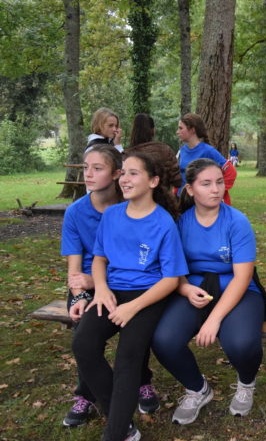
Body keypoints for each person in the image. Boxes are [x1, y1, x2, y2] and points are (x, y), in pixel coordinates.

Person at [71, 152, 188, 441]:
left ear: (153, 181)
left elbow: (171, 279)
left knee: (128, 358)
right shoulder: (112, 215)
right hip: (111, 291)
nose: (125, 178)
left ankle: (115, 434)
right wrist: (101, 289)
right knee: (83, 343)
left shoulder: (163, 223)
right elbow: (99, 259)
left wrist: (132, 307)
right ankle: (122, 422)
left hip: (148, 296)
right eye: (123, 173)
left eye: (134, 173)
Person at [152, 158, 265, 424]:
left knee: (242, 344)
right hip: (193, 290)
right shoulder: (179, 222)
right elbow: (171, 269)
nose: (216, 189)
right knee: (164, 340)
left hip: (237, 290)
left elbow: (242, 277)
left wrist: (214, 320)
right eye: (206, 184)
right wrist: (185, 288)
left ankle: (246, 383)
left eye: (219, 182)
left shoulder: (237, 221)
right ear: (190, 189)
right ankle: (197, 389)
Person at [60, 145, 160, 427]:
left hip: (125, 278)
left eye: (97, 168)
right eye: (85, 167)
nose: (88, 174)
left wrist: (99, 280)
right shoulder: (75, 213)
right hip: (89, 284)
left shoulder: (131, 202)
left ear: (117, 174)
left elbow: (139, 260)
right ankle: (88, 395)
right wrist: (80, 294)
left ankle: (141, 381)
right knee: (84, 330)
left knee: (134, 321)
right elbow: (74, 269)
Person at [177, 113, 236, 204]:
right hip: (183, 202)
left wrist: (218, 190)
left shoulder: (208, 151)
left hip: (201, 204)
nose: (177, 132)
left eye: (181, 128)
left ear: (192, 130)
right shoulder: (182, 151)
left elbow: (231, 172)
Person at [129, 113, 182, 191]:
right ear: (153, 130)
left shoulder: (128, 155)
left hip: (136, 198)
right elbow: (177, 180)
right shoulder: (165, 150)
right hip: (161, 198)